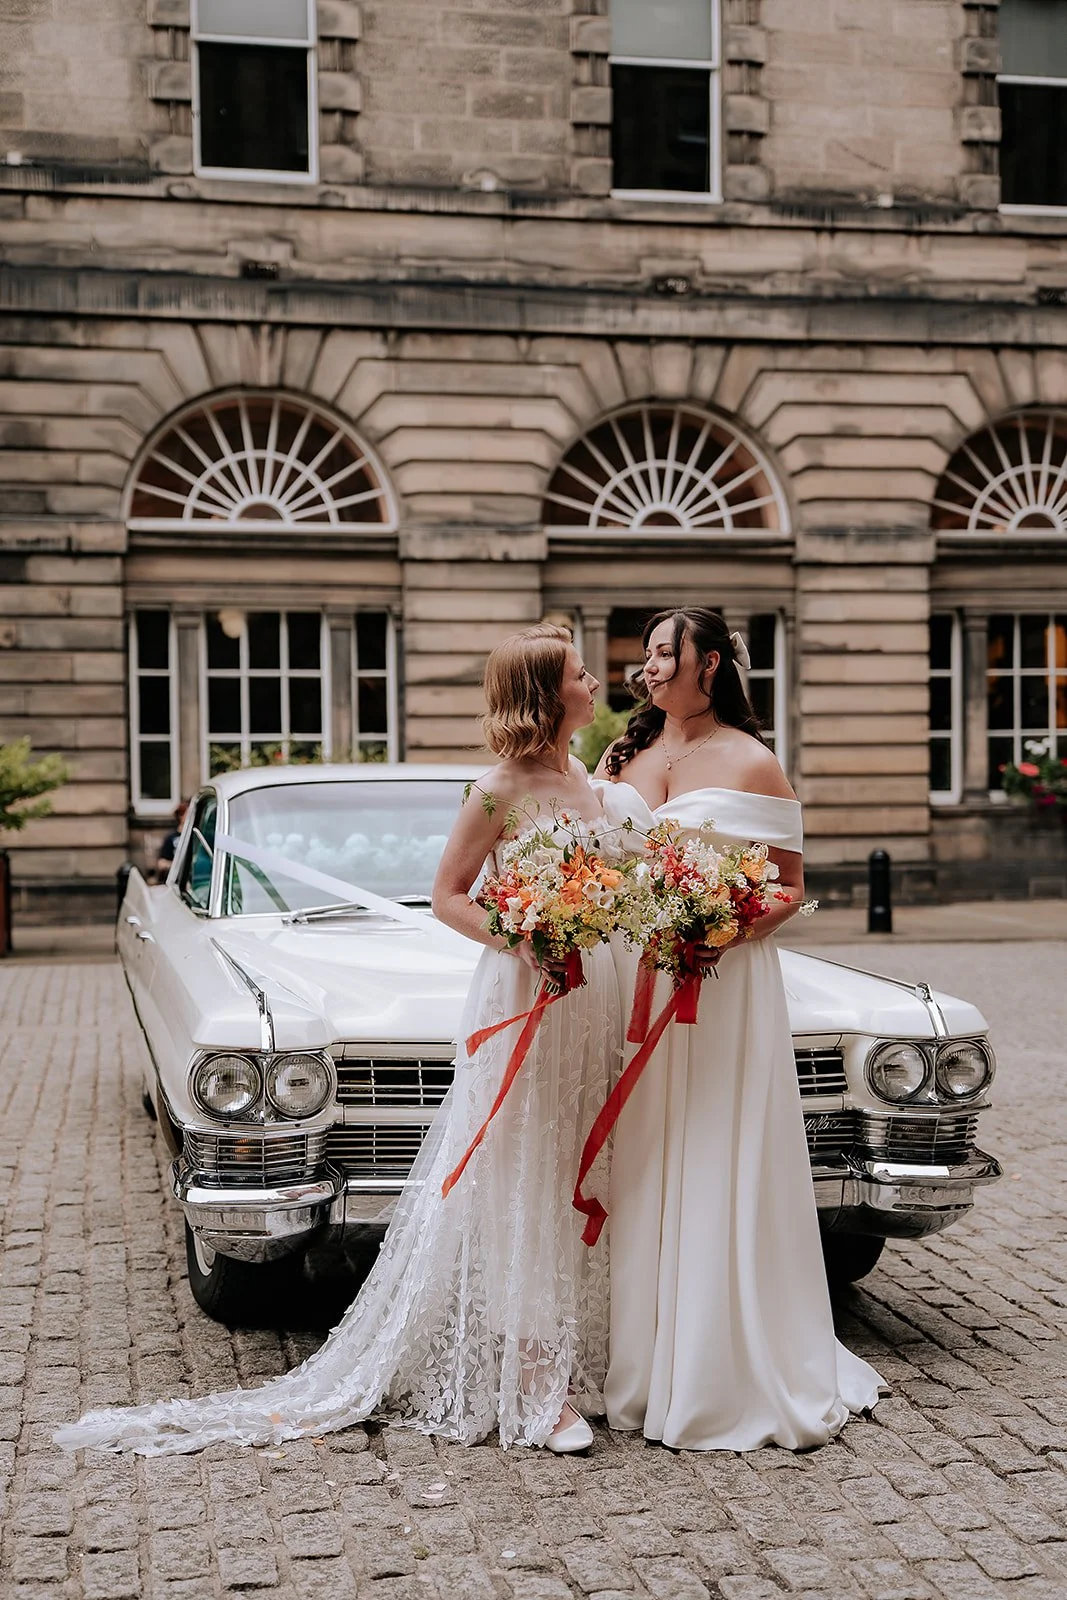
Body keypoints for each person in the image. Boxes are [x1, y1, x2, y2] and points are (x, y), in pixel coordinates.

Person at [55, 624, 636, 1457]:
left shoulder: (585, 776)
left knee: (583, 1168)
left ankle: (582, 1358)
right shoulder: (495, 790)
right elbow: (447, 896)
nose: (595, 683)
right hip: (526, 994)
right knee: (525, 1176)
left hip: (591, 996)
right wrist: (526, 939)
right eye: (583, 674)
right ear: (549, 695)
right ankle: (535, 1390)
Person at [596, 607, 885, 1452]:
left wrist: (717, 928)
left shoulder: (753, 761)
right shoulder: (621, 756)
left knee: (718, 1147)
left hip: (721, 986)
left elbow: (788, 886)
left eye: (663, 653)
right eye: (645, 654)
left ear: (709, 663)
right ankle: (647, 1356)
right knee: (648, 1156)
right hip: (634, 981)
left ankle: (722, 1362)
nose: (647, 667)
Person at [154, 801, 189, 884]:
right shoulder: (171, 838)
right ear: (181, 816)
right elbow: (161, 863)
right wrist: (177, 865)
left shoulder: (196, 835)